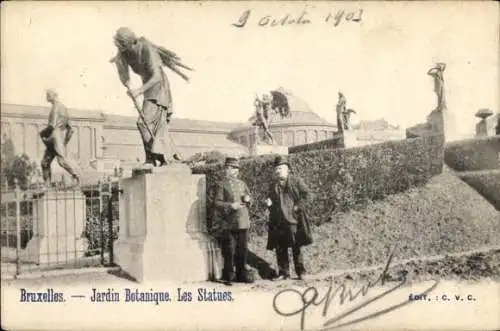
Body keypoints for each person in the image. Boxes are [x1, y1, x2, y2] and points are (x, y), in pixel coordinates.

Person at [111, 27, 191, 168]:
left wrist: (139, 91)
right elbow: (123, 73)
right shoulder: (123, 52)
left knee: (145, 123)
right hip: (148, 88)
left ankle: (152, 159)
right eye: (120, 46)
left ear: (130, 42)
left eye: (123, 46)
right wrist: (129, 87)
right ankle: (158, 158)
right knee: (151, 125)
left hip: (159, 86)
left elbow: (157, 76)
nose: (122, 49)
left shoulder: (146, 48)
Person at [265, 155, 313, 280]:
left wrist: (298, 207)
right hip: (278, 221)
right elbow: (271, 200)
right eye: (276, 169)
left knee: (296, 245)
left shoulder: (296, 181)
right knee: (280, 247)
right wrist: (268, 204)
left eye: (280, 168)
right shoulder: (273, 185)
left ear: (287, 169)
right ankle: (283, 272)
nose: (278, 171)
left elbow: (308, 196)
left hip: (293, 219)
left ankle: (301, 271)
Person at [215, 157, 253, 285]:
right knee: (229, 250)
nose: (235, 171)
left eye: (237, 168)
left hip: (243, 221)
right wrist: (230, 206)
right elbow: (217, 203)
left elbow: (250, 199)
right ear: (227, 169)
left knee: (242, 249)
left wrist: (248, 199)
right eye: (233, 168)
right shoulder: (221, 184)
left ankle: (241, 274)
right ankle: (229, 275)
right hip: (229, 222)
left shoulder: (242, 184)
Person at [39, 89, 80, 187]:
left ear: (54, 95)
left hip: (53, 138)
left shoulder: (55, 108)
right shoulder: (64, 108)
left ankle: (76, 176)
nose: (46, 96)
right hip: (57, 140)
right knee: (46, 162)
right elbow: (70, 130)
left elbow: (52, 126)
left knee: (59, 162)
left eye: (48, 94)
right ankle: (48, 186)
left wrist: (41, 134)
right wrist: (64, 142)